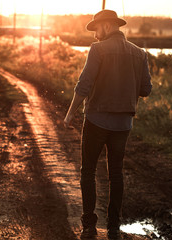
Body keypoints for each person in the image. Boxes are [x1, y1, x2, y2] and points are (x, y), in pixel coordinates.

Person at [64, 10, 152, 239]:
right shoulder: (139, 53)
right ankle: (113, 227)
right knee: (116, 174)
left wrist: (70, 113)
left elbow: (84, 85)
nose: (95, 35)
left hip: (96, 120)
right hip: (124, 124)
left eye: (97, 29)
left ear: (107, 25)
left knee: (88, 171)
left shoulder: (98, 50)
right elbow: (146, 90)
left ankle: (89, 225)